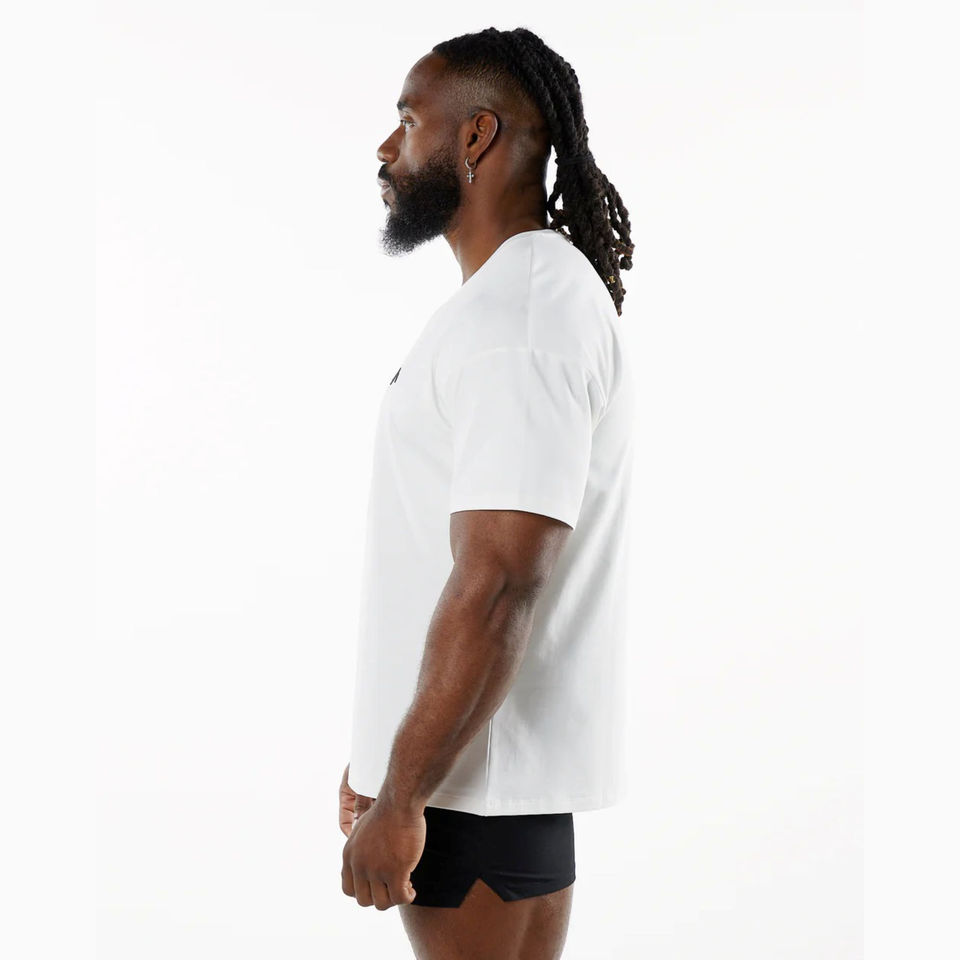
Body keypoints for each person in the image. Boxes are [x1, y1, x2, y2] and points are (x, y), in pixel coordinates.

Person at [339, 25, 636, 959]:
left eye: (407, 120)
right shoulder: (516, 301)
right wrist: (385, 756)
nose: (386, 147)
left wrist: (404, 793)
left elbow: (500, 582)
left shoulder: (522, 319)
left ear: (475, 136)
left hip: (471, 799)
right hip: (477, 785)